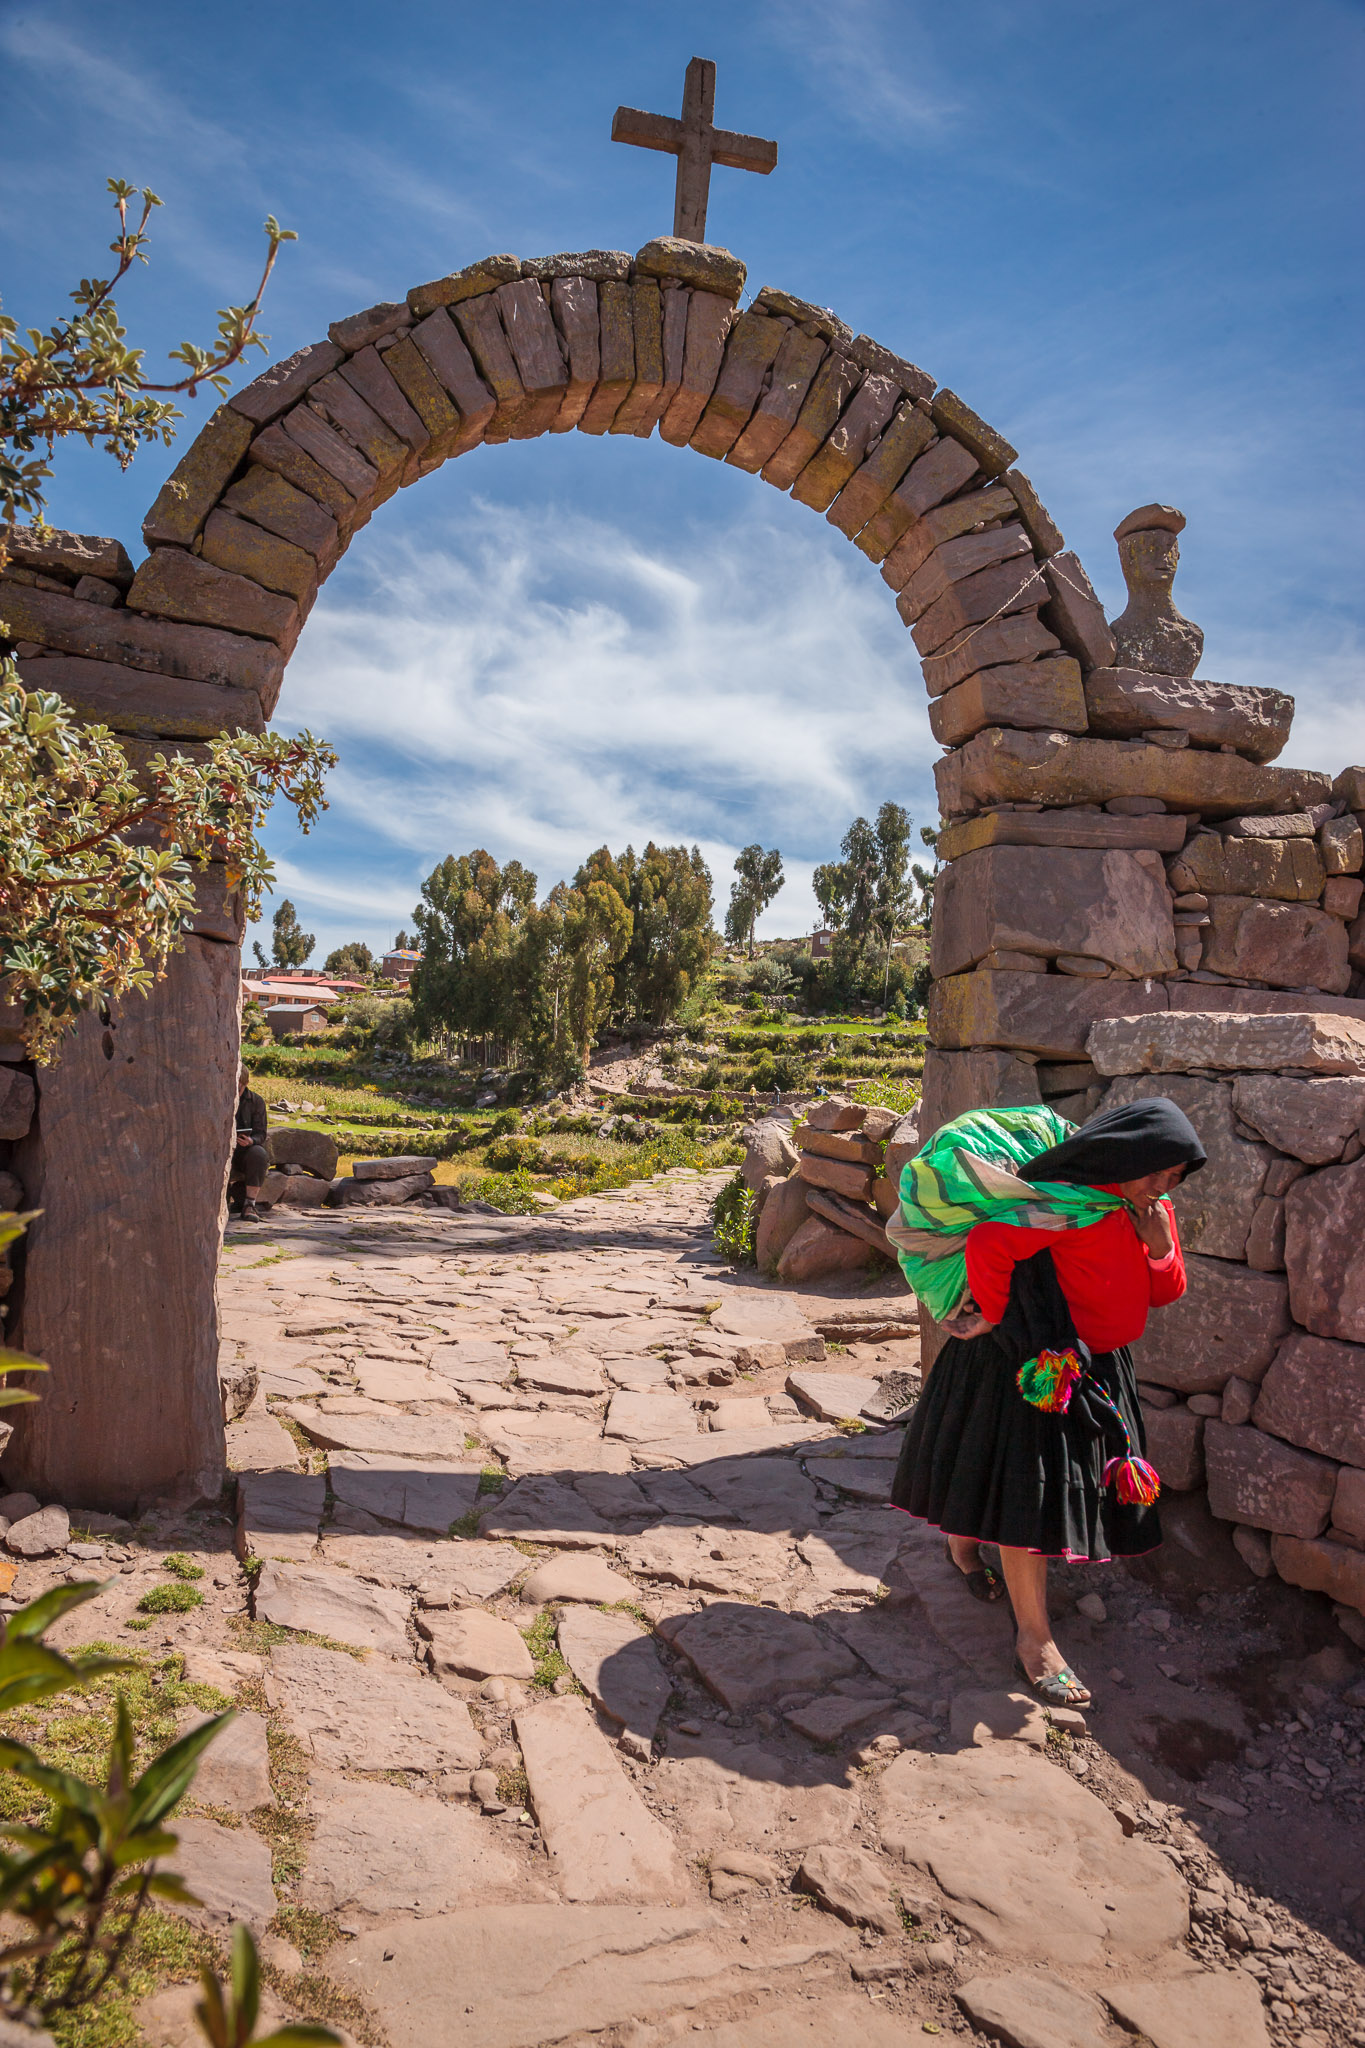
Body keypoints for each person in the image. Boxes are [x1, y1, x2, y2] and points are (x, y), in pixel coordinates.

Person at [890, 1096, 1206, 1710]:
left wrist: (1161, 1244)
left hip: (1099, 1366)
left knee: (1016, 1480)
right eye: (1157, 1172)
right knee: (1028, 1495)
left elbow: (1165, 1293)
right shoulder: (1063, 1203)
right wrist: (993, 1320)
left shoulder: (1147, 1210)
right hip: (1037, 1360)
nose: (1163, 1186)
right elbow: (987, 1246)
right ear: (1128, 1155)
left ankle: (963, 1548)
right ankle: (1035, 1643)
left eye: (1175, 1178)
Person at [228, 1064, 269, 1222]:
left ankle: (249, 1204)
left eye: (238, 1088)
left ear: (245, 1084)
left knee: (259, 1154)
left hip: (244, 1150)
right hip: (221, 1150)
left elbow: (261, 1133)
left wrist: (251, 1140)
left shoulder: (256, 1101)